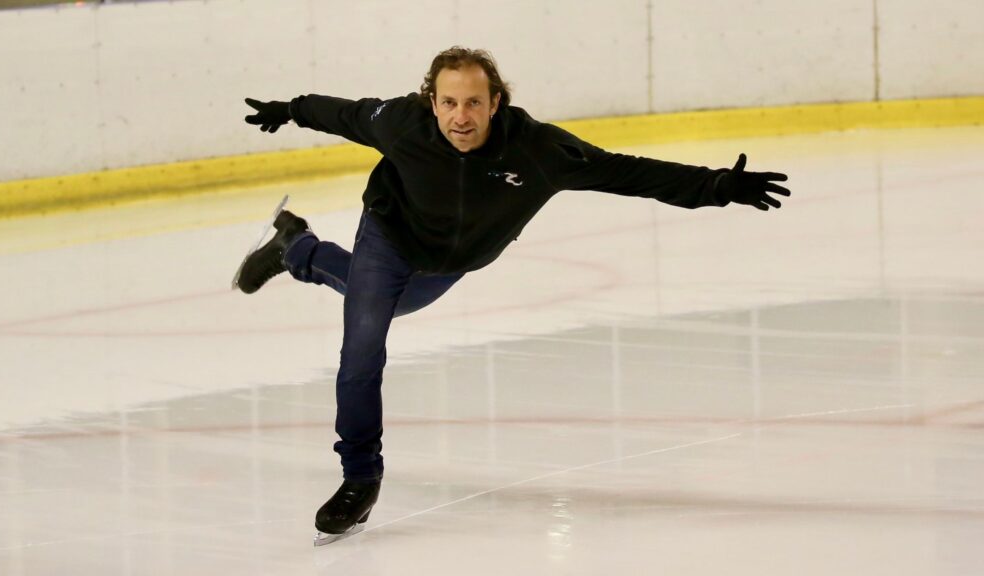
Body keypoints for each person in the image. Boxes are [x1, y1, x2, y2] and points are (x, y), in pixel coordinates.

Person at [238, 46, 790, 545]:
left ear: (495, 102)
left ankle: (296, 248)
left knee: (400, 304)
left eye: (473, 103)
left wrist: (717, 186)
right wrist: (291, 109)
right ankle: (360, 479)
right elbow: (346, 114)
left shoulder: (537, 150)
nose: (460, 116)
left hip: (454, 258)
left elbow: (625, 172)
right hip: (388, 235)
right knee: (362, 350)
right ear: (431, 101)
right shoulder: (403, 123)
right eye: (449, 102)